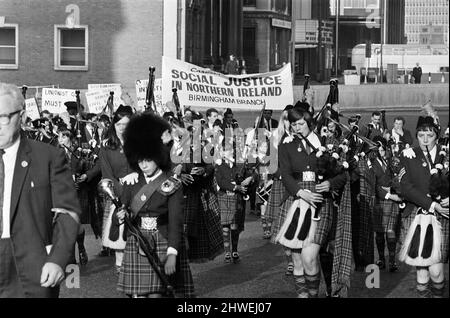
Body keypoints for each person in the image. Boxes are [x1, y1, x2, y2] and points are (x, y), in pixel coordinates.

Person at [0, 82, 80, 297]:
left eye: (3, 117)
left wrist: (57, 260)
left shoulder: (48, 157)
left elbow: (68, 213)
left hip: (33, 267)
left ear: (23, 116)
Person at [114, 113, 194, 298]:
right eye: (140, 161)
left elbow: (175, 221)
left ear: (158, 157)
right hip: (138, 241)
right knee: (138, 295)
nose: (143, 165)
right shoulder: (133, 182)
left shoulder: (171, 183)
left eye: (148, 160)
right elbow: (124, 209)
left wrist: (173, 252)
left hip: (163, 241)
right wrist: (121, 214)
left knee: (157, 295)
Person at [399, 116, 449, 298]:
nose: (425, 140)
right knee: (421, 270)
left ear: (437, 135)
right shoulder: (408, 155)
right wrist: (432, 204)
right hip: (419, 215)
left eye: (429, 135)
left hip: (443, 217)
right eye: (421, 135)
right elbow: (405, 187)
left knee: (436, 271)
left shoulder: (447, 155)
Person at [99, 105, 135, 273]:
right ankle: (121, 269)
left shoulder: (138, 144)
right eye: (119, 124)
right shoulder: (107, 147)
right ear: (114, 125)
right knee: (119, 237)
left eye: (126, 124)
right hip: (118, 195)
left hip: (139, 192)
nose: (122, 128)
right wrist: (121, 193)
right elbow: (107, 176)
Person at [371, 136, 401, 272]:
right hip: (380, 201)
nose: (381, 151)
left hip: (392, 202)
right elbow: (374, 184)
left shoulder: (390, 161)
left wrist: (394, 188)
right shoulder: (371, 163)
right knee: (379, 233)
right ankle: (381, 259)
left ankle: (392, 261)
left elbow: (398, 177)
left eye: (383, 149)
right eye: (379, 149)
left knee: (390, 231)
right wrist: (389, 194)